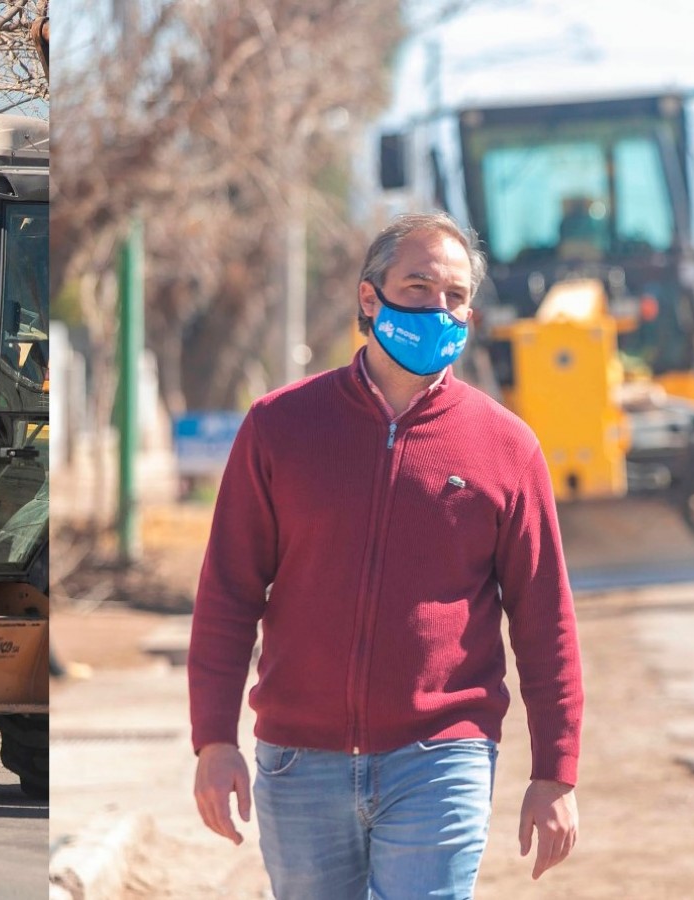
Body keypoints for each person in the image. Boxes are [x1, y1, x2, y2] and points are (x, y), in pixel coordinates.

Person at [188, 212, 584, 898]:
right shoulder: (279, 427)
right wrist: (214, 739)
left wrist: (556, 772)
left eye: (455, 296)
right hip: (298, 762)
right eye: (418, 287)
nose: (439, 309)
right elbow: (228, 593)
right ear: (370, 298)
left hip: (442, 758)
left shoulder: (506, 447)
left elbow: (544, 619)